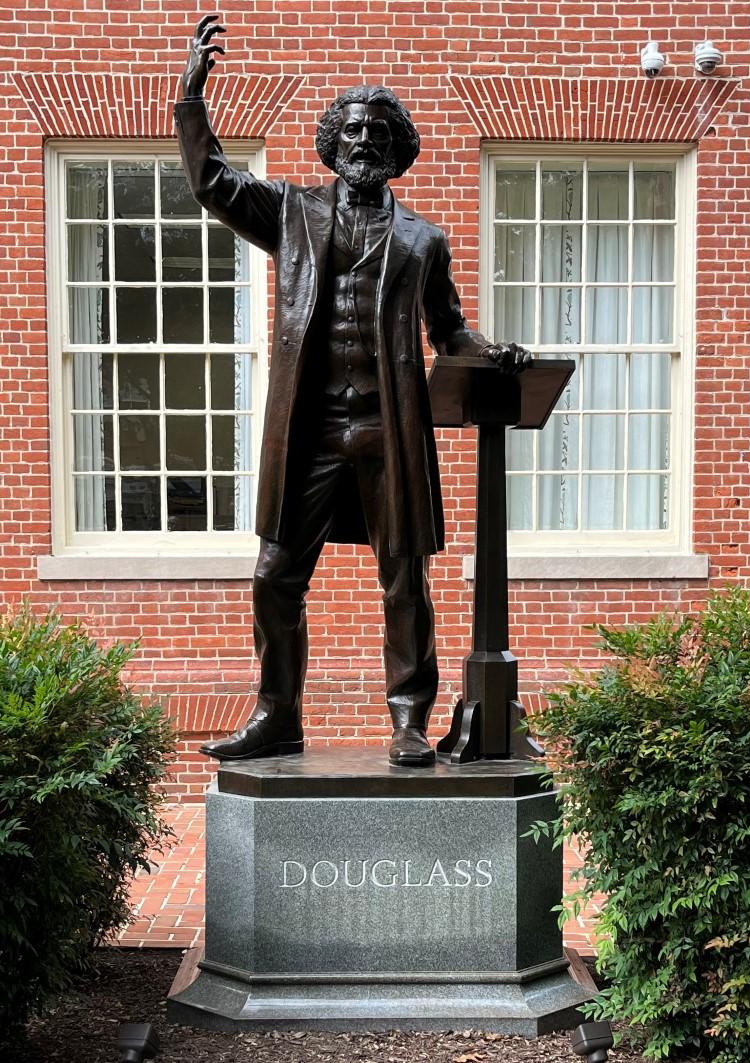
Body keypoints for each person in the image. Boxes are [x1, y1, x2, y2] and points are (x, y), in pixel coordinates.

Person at [175, 15, 530, 767]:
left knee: (404, 576)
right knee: (275, 574)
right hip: (310, 427)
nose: (365, 143)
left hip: (388, 429)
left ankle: (408, 718)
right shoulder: (294, 213)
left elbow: (452, 332)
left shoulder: (422, 240)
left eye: (379, 134)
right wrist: (191, 99)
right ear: (332, 143)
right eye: (353, 131)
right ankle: (277, 713)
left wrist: (494, 353)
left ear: (397, 151)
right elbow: (211, 183)